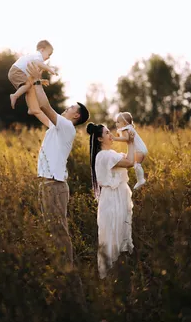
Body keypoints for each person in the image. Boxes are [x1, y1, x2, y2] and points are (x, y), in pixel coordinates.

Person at [26, 62, 90, 271]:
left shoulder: (66, 126)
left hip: (55, 185)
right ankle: (57, 270)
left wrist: (37, 81)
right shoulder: (57, 126)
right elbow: (36, 110)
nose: (66, 107)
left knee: (59, 230)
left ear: (76, 116)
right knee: (51, 229)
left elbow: (45, 106)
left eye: (71, 107)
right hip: (47, 184)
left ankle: (67, 273)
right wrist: (28, 85)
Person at [86, 122, 135, 279]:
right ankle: (111, 279)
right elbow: (130, 162)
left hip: (114, 198)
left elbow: (134, 158)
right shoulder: (106, 156)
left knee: (114, 237)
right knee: (113, 238)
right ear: (100, 138)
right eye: (107, 133)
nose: (111, 134)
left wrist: (132, 141)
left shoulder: (108, 154)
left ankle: (114, 278)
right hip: (113, 200)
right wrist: (130, 142)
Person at [8, 40, 58, 111]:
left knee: (29, 87)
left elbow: (33, 76)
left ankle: (31, 107)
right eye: (49, 54)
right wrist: (50, 69)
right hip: (16, 71)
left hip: (16, 71)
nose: (48, 57)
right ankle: (14, 96)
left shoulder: (34, 58)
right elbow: (38, 62)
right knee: (28, 85)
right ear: (42, 50)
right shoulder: (37, 55)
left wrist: (40, 81)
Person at [112, 111, 148, 189]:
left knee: (136, 164)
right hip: (142, 148)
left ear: (125, 123)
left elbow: (126, 138)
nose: (116, 124)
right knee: (137, 164)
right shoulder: (129, 128)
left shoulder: (125, 129)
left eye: (118, 122)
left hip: (138, 149)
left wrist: (115, 138)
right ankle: (140, 180)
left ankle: (141, 180)